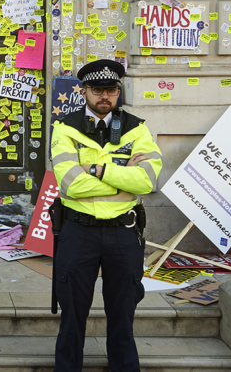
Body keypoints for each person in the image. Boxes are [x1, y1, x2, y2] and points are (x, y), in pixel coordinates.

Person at [50, 59, 163, 372]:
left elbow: (147, 181)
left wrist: (97, 169)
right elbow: (70, 184)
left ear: (118, 92)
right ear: (84, 90)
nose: (105, 96)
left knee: (123, 317)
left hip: (123, 233)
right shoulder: (65, 127)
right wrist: (121, 176)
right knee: (72, 318)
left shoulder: (137, 128)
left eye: (111, 89)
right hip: (78, 231)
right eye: (98, 89)